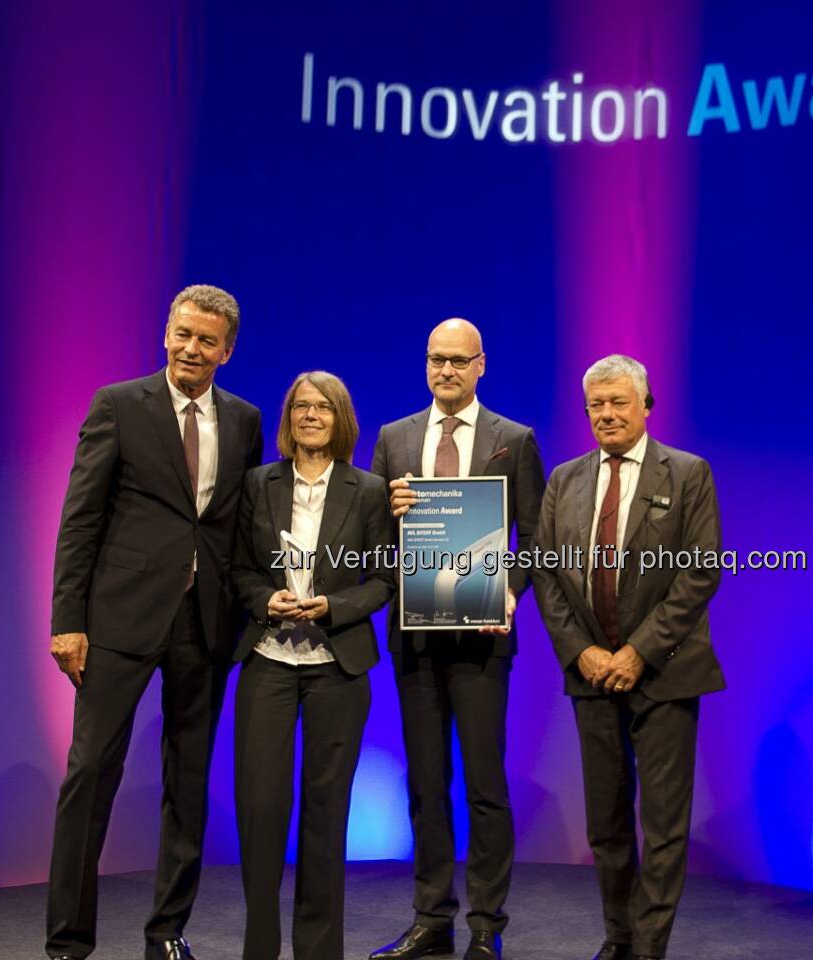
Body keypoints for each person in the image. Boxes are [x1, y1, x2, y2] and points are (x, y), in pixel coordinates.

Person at [46, 285, 263, 960]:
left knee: (188, 780)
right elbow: (81, 518)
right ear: (164, 334)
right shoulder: (118, 405)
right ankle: (68, 940)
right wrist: (67, 620)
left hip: (205, 625)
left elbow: (244, 526)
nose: (191, 349)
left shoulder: (246, 420)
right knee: (90, 774)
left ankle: (167, 931)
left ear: (227, 350)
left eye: (206, 340)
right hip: (118, 622)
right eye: (182, 334)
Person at [531, 354, 725, 960]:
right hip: (591, 674)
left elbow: (699, 572)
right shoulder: (564, 479)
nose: (607, 414)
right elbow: (544, 573)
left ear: (646, 405)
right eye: (596, 404)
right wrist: (580, 651)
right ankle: (617, 937)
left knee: (663, 826)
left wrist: (639, 652)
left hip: (664, 671)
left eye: (618, 402)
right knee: (606, 825)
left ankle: (647, 947)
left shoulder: (688, 473)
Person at [367, 318, 545, 960]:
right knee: (425, 781)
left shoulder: (513, 440)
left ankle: (486, 924)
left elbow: (539, 538)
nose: (445, 370)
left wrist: (508, 590)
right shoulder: (394, 438)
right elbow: (375, 541)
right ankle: (431, 918)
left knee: (484, 784)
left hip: (481, 638)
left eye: (457, 361)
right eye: (435, 359)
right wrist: (387, 516)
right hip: (415, 639)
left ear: (481, 366)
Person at [230, 371, 395, 960]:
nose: (310, 415)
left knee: (326, 816)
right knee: (261, 810)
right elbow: (239, 568)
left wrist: (334, 607)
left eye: (322, 407)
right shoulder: (257, 483)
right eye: (300, 406)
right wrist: (261, 600)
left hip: (337, 666)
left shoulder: (368, 489)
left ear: (340, 418)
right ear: (288, 418)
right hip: (269, 661)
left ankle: (320, 952)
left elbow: (384, 578)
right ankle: (259, 949)